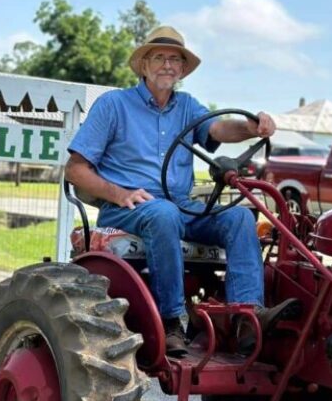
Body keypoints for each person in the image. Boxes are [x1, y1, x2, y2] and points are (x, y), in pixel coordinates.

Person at [66, 24, 295, 355]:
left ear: (183, 69)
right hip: (127, 209)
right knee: (163, 214)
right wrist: (119, 193)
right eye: (158, 57)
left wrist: (249, 127)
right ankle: (171, 320)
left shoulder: (187, 106)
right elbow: (75, 170)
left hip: (181, 208)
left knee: (241, 219)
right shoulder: (114, 105)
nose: (167, 65)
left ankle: (245, 318)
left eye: (175, 59)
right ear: (143, 65)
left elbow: (218, 128)